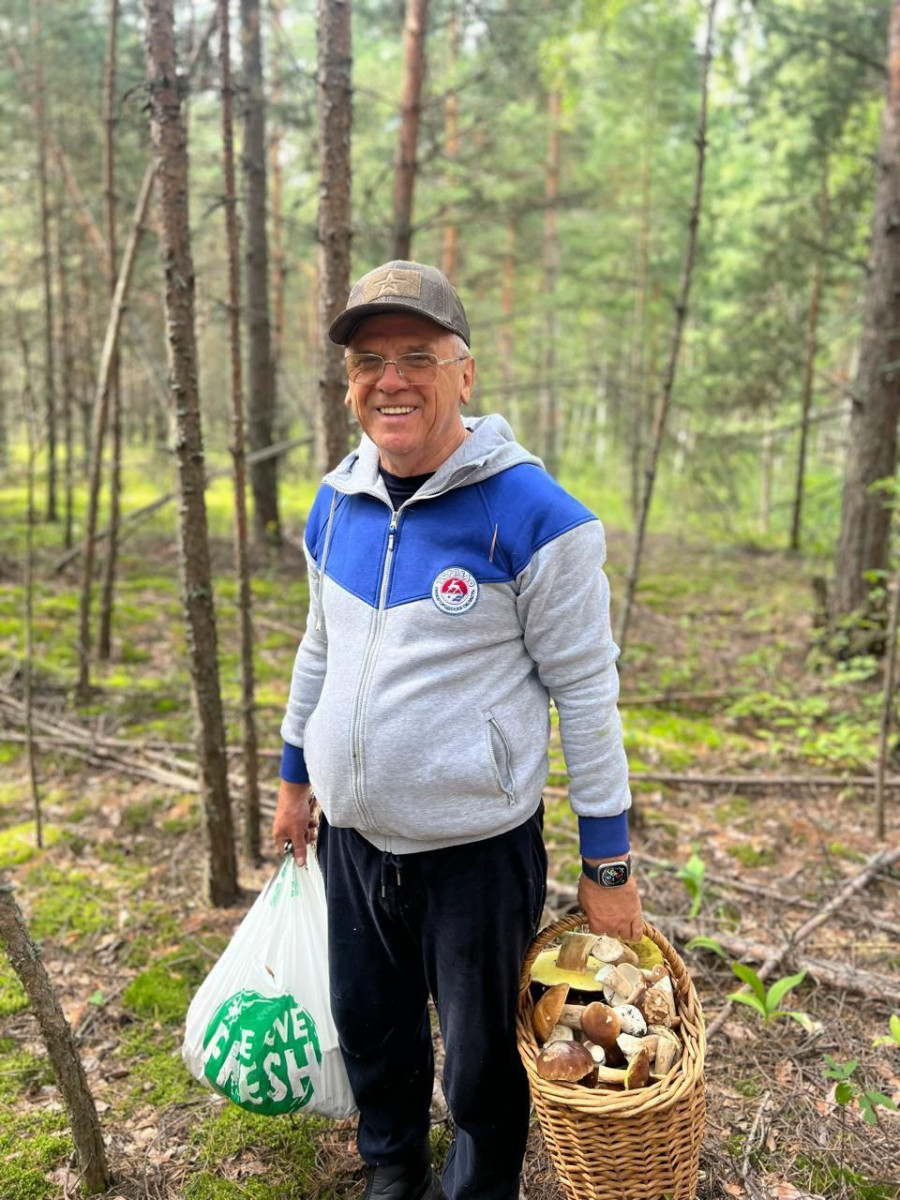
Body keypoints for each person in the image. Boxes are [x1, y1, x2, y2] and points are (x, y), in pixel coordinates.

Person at [273, 260, 643, 1200]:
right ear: (349, 380)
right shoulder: (335, 501)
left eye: (417, 357)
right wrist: (293, 776)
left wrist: (609, 865)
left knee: (481, 1060)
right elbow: (320, 647)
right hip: (355, 836)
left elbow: (588, 697)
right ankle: (391, 1172)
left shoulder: (537, 517)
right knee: (371, 1027)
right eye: (369, 360)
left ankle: (476, 1189)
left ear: (465, 373)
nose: (389, 379)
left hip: (478, 852)